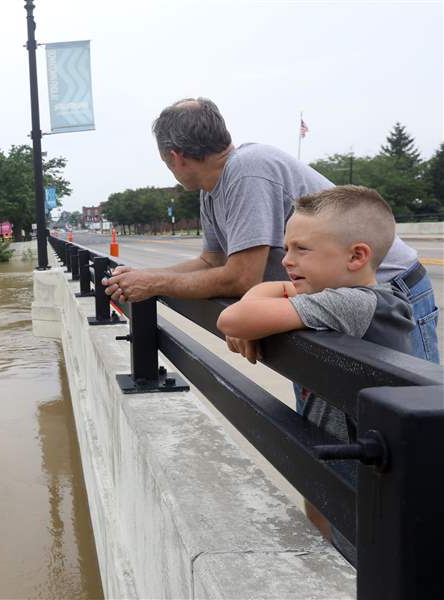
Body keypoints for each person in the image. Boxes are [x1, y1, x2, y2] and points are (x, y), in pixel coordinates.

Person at [103, 97, 439, 364]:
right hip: (318, 293)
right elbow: (210, 262)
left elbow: (241, 277)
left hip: (383, 288)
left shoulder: (247, 171)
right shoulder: (212, 188)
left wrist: (154, 283)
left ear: (175, 157)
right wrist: (144, 276)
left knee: (407, 408)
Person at [216, 185, 416, 565]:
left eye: (301, 250)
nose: (287, 260)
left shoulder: (357, 302)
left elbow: (233, 318)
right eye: (287, 248)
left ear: (357, 256)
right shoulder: (336, 297)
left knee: (369, 554)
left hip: (375, 469)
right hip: (339, 454)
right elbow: (245, 316)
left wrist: (265, 304)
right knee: (328, 520)